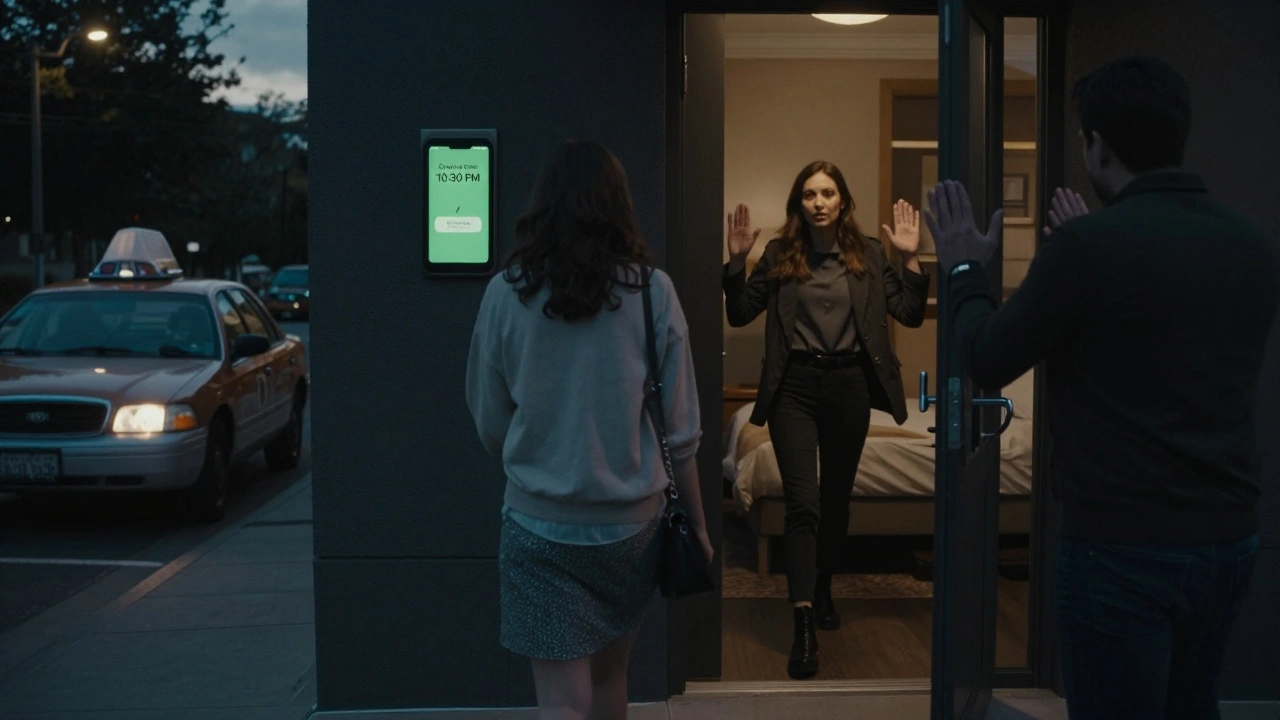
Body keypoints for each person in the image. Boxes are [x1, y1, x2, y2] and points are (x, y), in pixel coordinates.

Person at [923, 55, 1280, 720]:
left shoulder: (1089, 249)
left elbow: (987, 357)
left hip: (1122, 548)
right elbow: (1165, 351)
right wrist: (1083, 254)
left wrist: (966, 263)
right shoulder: (1252, 245)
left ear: (1097, 144)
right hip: (1229, 540)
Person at [465, 139, 710, 720]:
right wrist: (698, 527)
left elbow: (490, 421)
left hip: (537, 525)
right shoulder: (652, 292)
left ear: (542, 206)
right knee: (609, 681)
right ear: (618, 205)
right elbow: (681, 434)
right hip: (631, 528)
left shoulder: (505, 294)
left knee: (560, 701)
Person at [722, 160, 930, 679]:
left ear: (843, 202)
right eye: (810, 194)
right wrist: (736, 261)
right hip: (795, 386)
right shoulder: (779, 254)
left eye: (828, 193)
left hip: (849, 386)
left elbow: (907, 312)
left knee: (836, 503)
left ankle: (823, 584)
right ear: (799, 203)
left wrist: (912, 257)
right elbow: (740, 312)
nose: (819, 202)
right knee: (803, 504)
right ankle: (804, 625)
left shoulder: (871, 255)